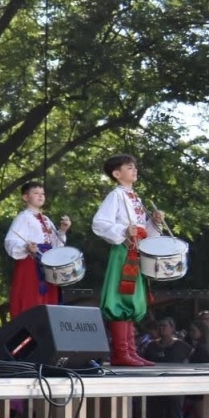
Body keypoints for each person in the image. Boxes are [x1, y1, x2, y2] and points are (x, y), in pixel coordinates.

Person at [90, 153, 164, 368]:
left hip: (136, 250)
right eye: (129, 167)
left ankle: (129, 351)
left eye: (134, 167)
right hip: (124, 251)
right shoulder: (115, 195)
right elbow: (100, 223)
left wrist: (154, 222)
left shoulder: (135, 198)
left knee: (132, 299)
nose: (134, 170)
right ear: (116, 173)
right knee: (122, 297)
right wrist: (123, 229)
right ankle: (121, 353)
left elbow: (143, 231)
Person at [4, 180, 72, 319]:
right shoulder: (23, 218)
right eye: (36, 193)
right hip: (31, 263)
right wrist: (26, 247)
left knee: (49, 299)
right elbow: (10, 241)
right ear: (25, 197)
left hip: (48, 264)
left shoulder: (46, 219)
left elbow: (56, 245)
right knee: (32, 297)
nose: (40, 196)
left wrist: (62, 231)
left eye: (42, 193)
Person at [141, 318, 189, 418]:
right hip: (155, 385)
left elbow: (189, 359)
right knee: (155, 417)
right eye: (160, 326)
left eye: (165, 326)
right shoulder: (151, 345)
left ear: (172, 328)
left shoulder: (181, 345)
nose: (162, 328)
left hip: (175, 384)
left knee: (175, 417)